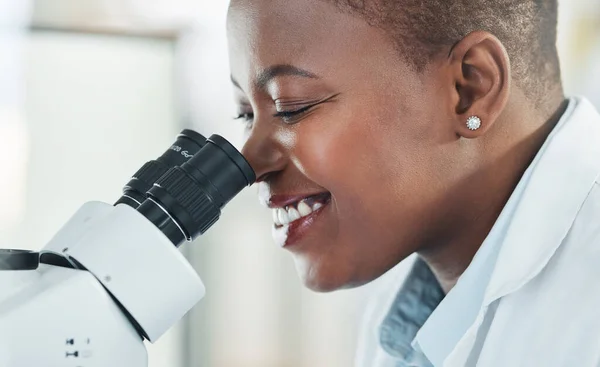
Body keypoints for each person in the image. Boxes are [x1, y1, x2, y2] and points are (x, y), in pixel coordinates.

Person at [226, 0, 600, 366]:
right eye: (246, 114)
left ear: (469, 91)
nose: (250, 166)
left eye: (292, 107)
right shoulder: (403, 308)